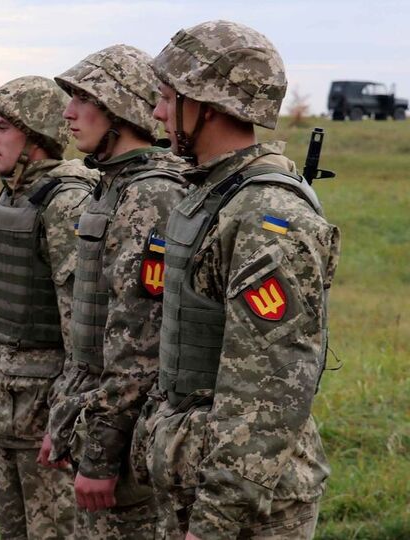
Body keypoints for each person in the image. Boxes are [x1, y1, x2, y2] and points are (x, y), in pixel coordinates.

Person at [131, 20, 341, 539]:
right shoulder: (213, 193)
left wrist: (216, 520)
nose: (157, 114)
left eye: (165, 98)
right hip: (196, 478)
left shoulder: (266, 216)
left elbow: (267, 391)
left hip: (246, 507)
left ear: (206, 104)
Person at [41, 45, 189, 538]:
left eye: (84, 99)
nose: (67, 112)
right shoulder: (114, 185)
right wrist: (64, 420)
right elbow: (90, 331)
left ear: (120, 108)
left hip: (129, 443)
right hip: (101, 420)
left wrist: (102, 455)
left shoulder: (150, 193)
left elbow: (139, 346)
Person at [0, 76, 96, 539]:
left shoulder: (65, 200)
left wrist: (65, 417)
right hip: (11, 401)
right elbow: (27, 290)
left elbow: (82, 323)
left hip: (44, 411)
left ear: (35, 136)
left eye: (1, 128)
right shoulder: (16, 190)